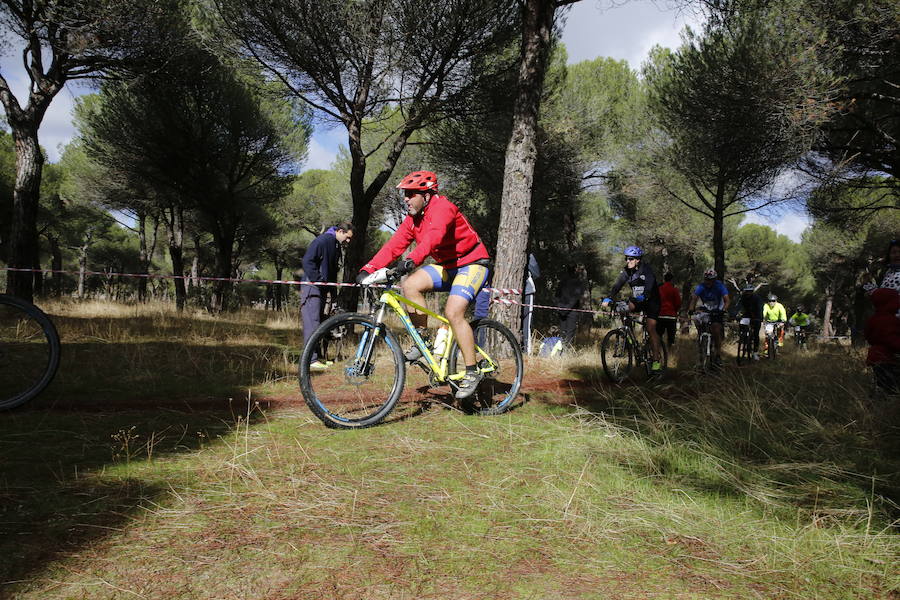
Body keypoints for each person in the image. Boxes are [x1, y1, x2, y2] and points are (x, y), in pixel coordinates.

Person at [356, 170, 490, 400]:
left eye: (410, 194)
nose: (405, 199)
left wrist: (411, 260)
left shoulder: (443, 208)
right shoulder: (413, 220)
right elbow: (394, 245)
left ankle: (471, 371)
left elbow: (433, 238)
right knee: (410, 285)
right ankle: (423, 341)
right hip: (449, 266)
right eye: (405, 195)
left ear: (426, 195)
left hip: (473, 262)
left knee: (453, 311)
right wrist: (368, 268)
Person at [301, 222, 354, 371]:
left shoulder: (335, 244)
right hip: (311, 288)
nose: (348, 241)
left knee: (318, 324)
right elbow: (307, 261)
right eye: (347, 237)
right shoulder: (323, 240)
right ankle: (310, 361)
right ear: (340, 231)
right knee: (312, 323)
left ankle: (318, 358)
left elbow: (331, 272)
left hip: (322, 290)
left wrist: (332, 291)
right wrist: (318, 280)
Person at [601, 246, 663, 372]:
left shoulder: (646, 270)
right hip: (638, 300)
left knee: (651, 328)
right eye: (626, 259)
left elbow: (650, 285)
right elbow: (617, 285)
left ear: (637, 260)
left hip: (652, 301)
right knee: (623, 309)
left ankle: (656, 360)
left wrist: (645, 295)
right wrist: (608, 298)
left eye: (630, 259)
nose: (627, 261)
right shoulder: (626, 271)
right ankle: (628, 335)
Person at [687, 269, 730, 366]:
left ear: (714, 280)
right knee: (697, 319)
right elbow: (694, 298)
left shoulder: (720, 286)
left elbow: (727, 300)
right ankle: (701, 338)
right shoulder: (701, 286)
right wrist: (691, 309)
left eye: (710, 280)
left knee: (716, 329)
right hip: (706, 308)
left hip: (718, 308)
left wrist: (723, 310)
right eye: (706, 280)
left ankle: (718, 354)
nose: (708, 282)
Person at [865, 288, 900, 395]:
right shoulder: (889, 320)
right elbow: (891, 339)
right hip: (887, 358)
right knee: (892, 387)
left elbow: (868, 336)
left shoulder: (873, 319)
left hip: (875, 356)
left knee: (882, 383)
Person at [555, 264, 585, 347]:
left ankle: (563, 352)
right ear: (575, 270)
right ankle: (564, 352)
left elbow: (557, 295)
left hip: (564, 310)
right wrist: (563, 308)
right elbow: (576, 297)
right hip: (570, 311)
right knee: (568, 333)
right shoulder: (578, 282)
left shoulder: (563, 281)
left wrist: (560, 307)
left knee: (564, 332)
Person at [734, 284, 764, 360]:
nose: (748, 293)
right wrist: (734, 314)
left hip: (756, 316)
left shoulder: (757, 298)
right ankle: (742, 337)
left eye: (749, 291)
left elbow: (760, 308)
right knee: (742, 324)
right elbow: (738, 307)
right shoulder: (743, 297)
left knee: (756, 334)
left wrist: (759, 318)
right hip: (747, 315)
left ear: (752, 291)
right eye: (747, 291)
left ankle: (755, 352)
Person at [656, 272, 682, 348]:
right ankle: (669, 352)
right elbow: (678, 303)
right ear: (672, 280)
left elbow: (656, 301)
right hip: (671, 316)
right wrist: (675, 311)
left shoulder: (659, 289)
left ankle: (657, 351)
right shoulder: (674, 290)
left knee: (658, 335)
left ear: (664, 279)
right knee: (671, 338)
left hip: (660, 315)